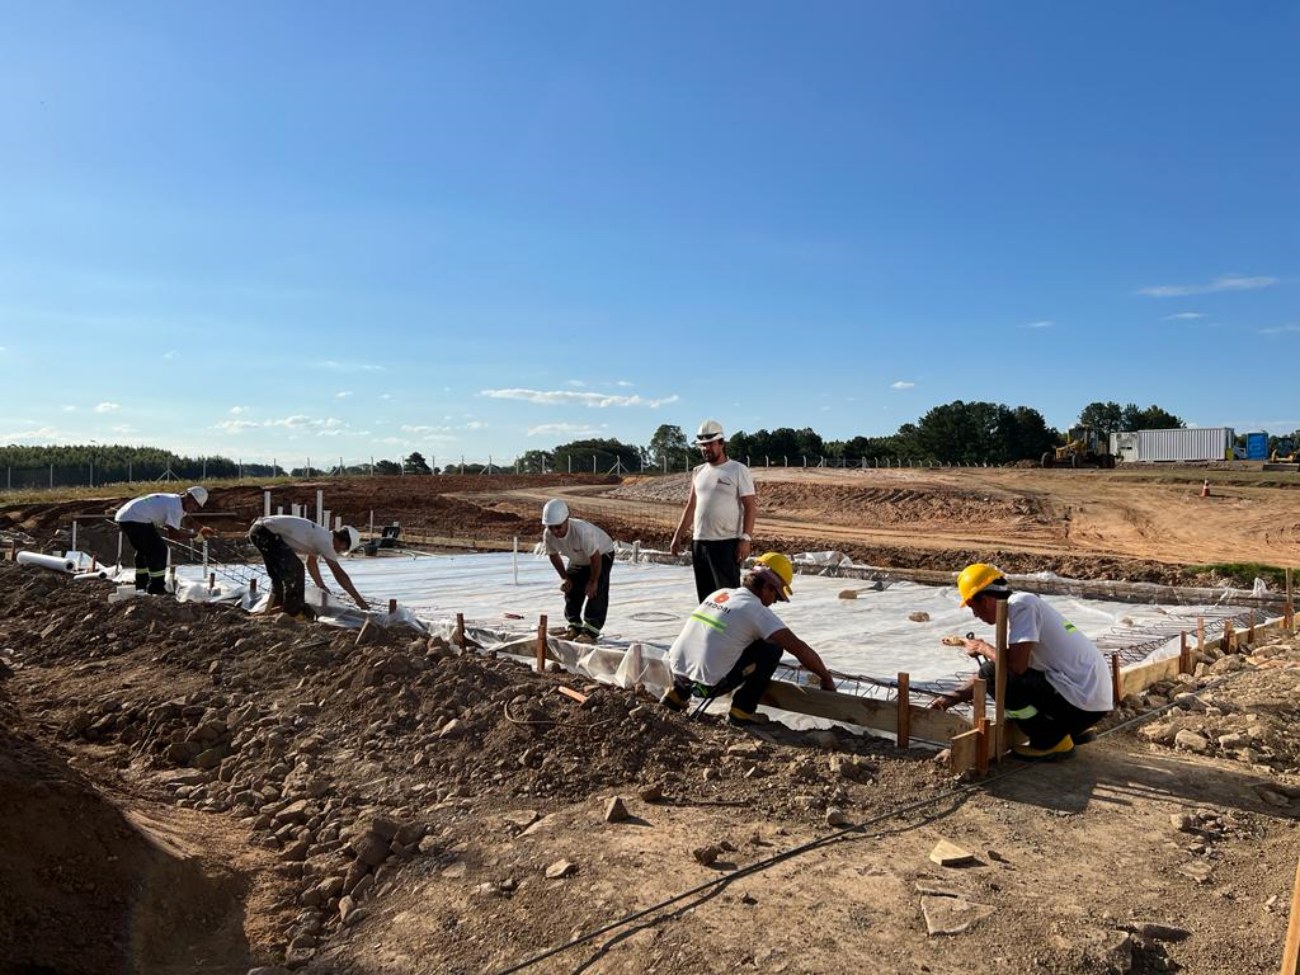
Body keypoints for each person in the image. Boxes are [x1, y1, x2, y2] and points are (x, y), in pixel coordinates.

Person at [930, 563, 1113, 760]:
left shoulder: (1022, 605)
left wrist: (985, 648)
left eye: (973, 607)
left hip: (1081, 706)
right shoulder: (1024, 609)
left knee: (990, 672)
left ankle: (1050, 741)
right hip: (1090, 704)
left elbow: (1014, 668)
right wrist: (948, 700)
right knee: (993, 670)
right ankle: (1069, 731)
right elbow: (1007, 665)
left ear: (985, 600)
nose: (975, 615)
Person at [661, 551, 836, 726]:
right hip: (708, 686)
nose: (774, 602)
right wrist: (826, 678)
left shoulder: (721, 593)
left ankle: (676, 695)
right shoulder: (756, 611)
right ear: (767, 586)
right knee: (771, 649)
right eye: (776, 595)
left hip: (676, 671)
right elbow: (798, 648)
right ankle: (742, 711)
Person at [670, 418, 757, 602]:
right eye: (702, 445)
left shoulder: (737, 470)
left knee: (728, 598)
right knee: (706, 599)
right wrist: (678, 536)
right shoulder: (698, 471)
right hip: (700, 543)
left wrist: (746, 538)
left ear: (721, 443)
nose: (705, 449)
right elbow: (691, 506)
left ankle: (731, 631)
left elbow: (750, 506)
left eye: (709, 444)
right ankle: (710, 631)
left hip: (726, 544)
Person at [247, 514, 369, 618]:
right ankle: (292, 613)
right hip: (266, 532)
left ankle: (274, 610)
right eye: (342, 550)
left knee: (279, 576)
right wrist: (359, 600)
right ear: (343, 542)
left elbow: (311, 563)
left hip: (259, 530)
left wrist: (321, 586)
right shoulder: (326, 542)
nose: (339, 552)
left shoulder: (320, 535)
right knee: (296, 569)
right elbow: (339, 574)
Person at [541, 498, 615, 644]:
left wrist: (593, 581)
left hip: (602, 554)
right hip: (579, 558)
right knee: (571, 588)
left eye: (558, 527)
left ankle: (591, 631)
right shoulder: (548, 535)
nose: (555, 531)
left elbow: (595, 558)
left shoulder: (582, 532)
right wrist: (564, 577)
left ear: (567, 520)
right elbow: (553, 555)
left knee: (595, 590)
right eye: (551, 527)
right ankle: (574, 625)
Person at [114, 486, 213, 594]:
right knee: (159, 550)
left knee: (145, 550)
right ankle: (156, 588)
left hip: (128, 515)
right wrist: (195, 536)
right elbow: (173, 534)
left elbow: (187, 518)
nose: (194, 508)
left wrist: (201, 529)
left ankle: (141, 586)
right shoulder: (175, 507)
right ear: (188, 497)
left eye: (197, 507)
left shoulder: (176, 500)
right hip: (135, 518)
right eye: (194, 504)